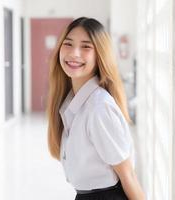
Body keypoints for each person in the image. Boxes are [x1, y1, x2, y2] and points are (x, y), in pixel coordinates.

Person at [46, 17, 145, 200]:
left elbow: (128, 176)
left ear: (99, 55)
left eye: (86, 47)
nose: (74, 53)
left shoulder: (99, 108)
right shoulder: (72, 103)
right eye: (68, 44)